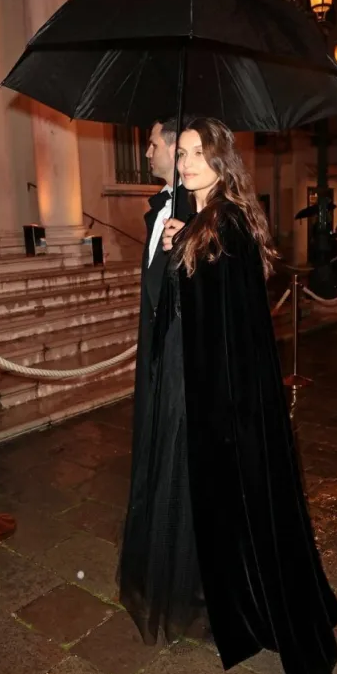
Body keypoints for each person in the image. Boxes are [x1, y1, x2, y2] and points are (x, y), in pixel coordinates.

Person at [118, 117, 337, 674]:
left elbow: (222, 322)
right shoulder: (203, 220)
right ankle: (206, 588)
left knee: (222, 498)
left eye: (199, 153)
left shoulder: (228, 223)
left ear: (222, 162)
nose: (188, 162)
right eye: (183, 152)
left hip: (215, 395)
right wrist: (177, 244)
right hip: (194, 383)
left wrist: (184, 248)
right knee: (197, 494)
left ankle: (232, 603)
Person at [132, 117, 192, 457]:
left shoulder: (200, 210)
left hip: (180, 347)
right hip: (155, 343)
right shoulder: (159, 208)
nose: (146, 152)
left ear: (174, 149)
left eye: (153, 144)